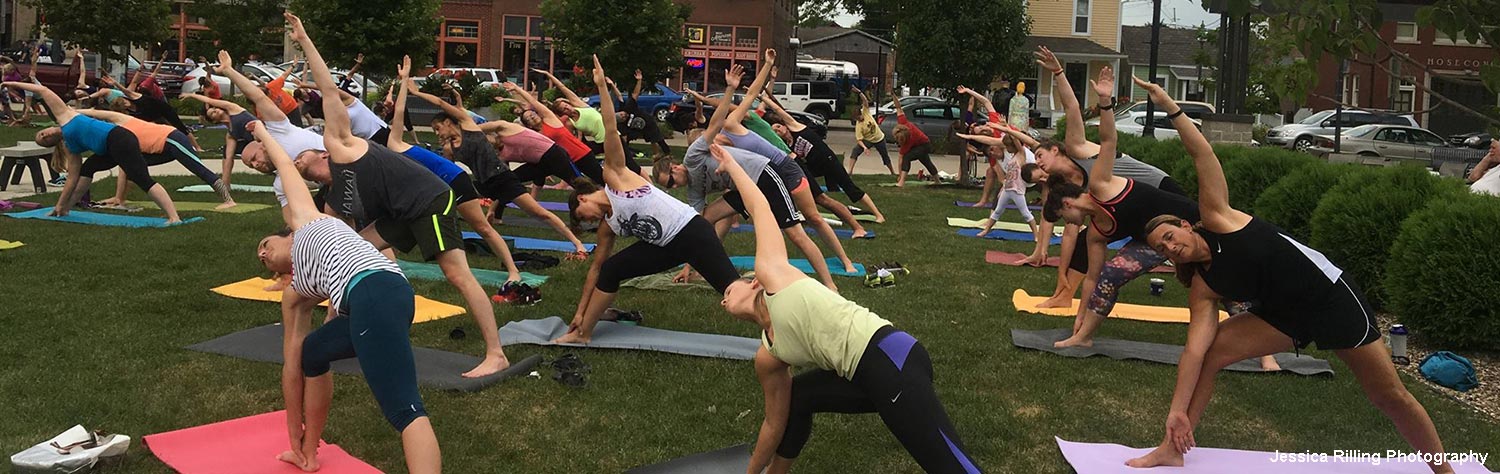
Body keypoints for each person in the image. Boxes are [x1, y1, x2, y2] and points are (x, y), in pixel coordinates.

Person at [1129, 76, 1452, 473]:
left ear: (1184, 224)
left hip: (1328, 297)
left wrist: (1171, 108)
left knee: (1389, 397)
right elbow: (1193, 351)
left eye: (1168, 236)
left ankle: (1444, 471)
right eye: (1161, 249)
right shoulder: (1203, 286)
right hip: (1281, 314)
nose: (1169, 247)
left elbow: (1203, 157)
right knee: (1213, 353)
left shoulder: (1216, 218)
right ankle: (1172, 447)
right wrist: (1175, 411)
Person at [711, 141, 984, 474]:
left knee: (948, 466)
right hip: (862, 378)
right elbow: (773, 423)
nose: (723, 297)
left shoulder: (773, 275)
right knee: (799, 398)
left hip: (889, 358)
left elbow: (760, 208)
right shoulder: (769, 356)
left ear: (752, 282)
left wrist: (732, 164)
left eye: (728, 288)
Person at [285, 13, 512, 378]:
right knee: (352, 253)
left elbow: (329, 91)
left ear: (322, 152)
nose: (299, 160)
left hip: (429, 200)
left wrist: (305, 38)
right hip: (402, 213)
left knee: (457, 273)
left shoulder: (342, 147)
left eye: (302, 157)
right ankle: (338, 328)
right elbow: (330, 238)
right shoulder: (334, 195)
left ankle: (495, 353)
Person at [249, 113, 441, 474]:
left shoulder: (306, 219)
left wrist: (261, 131)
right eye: (261, 260)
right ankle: (311, 454)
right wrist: (296, 439)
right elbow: (293, 366)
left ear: (286, 235)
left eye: (264, 244)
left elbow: (284, 167)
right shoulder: (297, 293)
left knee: (405, 409)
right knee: (313, 353)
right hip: (376, 300)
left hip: (374, 292)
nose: (262, 254)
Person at [555, 55, 739, 345]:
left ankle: (778, 321)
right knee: (611, 269)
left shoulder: (614, 177)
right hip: (667, 247)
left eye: (581, 214)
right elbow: (595, 268)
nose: (588, 220)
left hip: (691, 232)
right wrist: (579, 311)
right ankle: (583, 333)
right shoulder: (609, 224)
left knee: (733, 294)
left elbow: (611, 129)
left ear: (582, 197)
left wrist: (602, 86)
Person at [654, 57, 848, 288]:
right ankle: (709, 269)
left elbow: (719, 119)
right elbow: (697, 226)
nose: (675, 187)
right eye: (670, 187)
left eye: (671, 181)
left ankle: (831, 284)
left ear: (675, 167)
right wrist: (687, 265)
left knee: (798, 230)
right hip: (746, 188)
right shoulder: (694, 188)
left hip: (768, 172)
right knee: (705, 220)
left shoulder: (697, 153)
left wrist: (730, 88)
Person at [413, 79, 591, 258]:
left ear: (448, 123)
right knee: (460, 211)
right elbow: (448, 172)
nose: (437, 133)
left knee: (539, 213)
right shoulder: (448, 148)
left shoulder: (468, 126)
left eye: (437, 128)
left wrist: (417, 93)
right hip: (482, 184)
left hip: (503, 178)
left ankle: (577, 243)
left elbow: (441, 103)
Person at [388, 55, 523, 284]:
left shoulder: (395, 144)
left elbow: (400, 110)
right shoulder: (390, 161)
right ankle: (389, 265)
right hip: (437, 189)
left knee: (482, 227)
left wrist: (405, 82)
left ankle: (513, 271)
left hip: (454, 181)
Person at [4, 80, 184, 223]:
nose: (45, 135)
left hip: (120, 139)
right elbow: (72, 180)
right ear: (51, 142)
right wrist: (59, 205)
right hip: (110, 149)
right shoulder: (70, 147)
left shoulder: (64, 115)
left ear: (48, 128)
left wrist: (12, 84)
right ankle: (66, 209)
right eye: (44, 140)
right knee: (86, 170)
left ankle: (173, 216)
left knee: (142, 178)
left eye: (42, 133)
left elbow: (42, 91)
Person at [760, 89, 888, 226]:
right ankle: (797, 211)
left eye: (778, 126)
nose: (778, 130)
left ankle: (878, 214)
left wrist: (763, 98)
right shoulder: (786, 145)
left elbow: (778, 109)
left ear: (784, 125)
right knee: (797, 181)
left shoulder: (796, 127)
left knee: (850, 188)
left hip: (828, 160)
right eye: (775, 131)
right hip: (815, 166)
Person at [79, 109, 236, 209]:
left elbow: (101, 113)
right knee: (129, 166)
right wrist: (119, 198)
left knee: (198, 169)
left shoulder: (121, 121)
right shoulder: (115, 137)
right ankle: (119, 199)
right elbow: (123, 169)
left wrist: (74, 111)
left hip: (171, 139)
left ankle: (229, 200)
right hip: (160, 150)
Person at [506, 81, 602, 185]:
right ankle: (502, 187)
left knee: (602, 180)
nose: (532, 116)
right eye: (528, 118)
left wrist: (517, 89)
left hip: (581, 155)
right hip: (559, 163)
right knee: (518, 175)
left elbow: (534, 102)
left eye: (532, 114)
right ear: (529, 125)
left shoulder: (549, 119)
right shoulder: (535, 136)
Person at [954, 129, 1036, 239]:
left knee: (1026, 214)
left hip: (1017, 191)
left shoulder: (1021, 154)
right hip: (1007, 190)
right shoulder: (1009, 157)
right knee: (997, 211)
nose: (1006, 149)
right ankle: (986, 231)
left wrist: (1008, 129)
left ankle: (1036, 235)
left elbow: (1017, 140)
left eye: (1008, 147)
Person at [891, 88, 940, 187]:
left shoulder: (909, 141)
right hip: (920, 144)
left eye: (900, 141)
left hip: (925, 145)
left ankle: (902, 182)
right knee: (926, 161)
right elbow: (898, 107)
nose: (899, 143)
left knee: (907, 157)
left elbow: (901, 159)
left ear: (904, 139)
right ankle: (937, 181)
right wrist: (893, 96)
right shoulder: (902, 121)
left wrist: (900, 175)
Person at [847, 86, 895, 175]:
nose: (859, 119)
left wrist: (859, 92)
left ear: (861, 113)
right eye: (857, 119)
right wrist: (865, 148)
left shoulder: (865, 112)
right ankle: (850, 171)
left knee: (885, 156)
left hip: (879, 138)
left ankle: (892, 172)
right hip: (868, 140)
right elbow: (859, 140)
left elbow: (865, 101)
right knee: (855, 151)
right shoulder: (859, 125)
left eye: (859, 117)